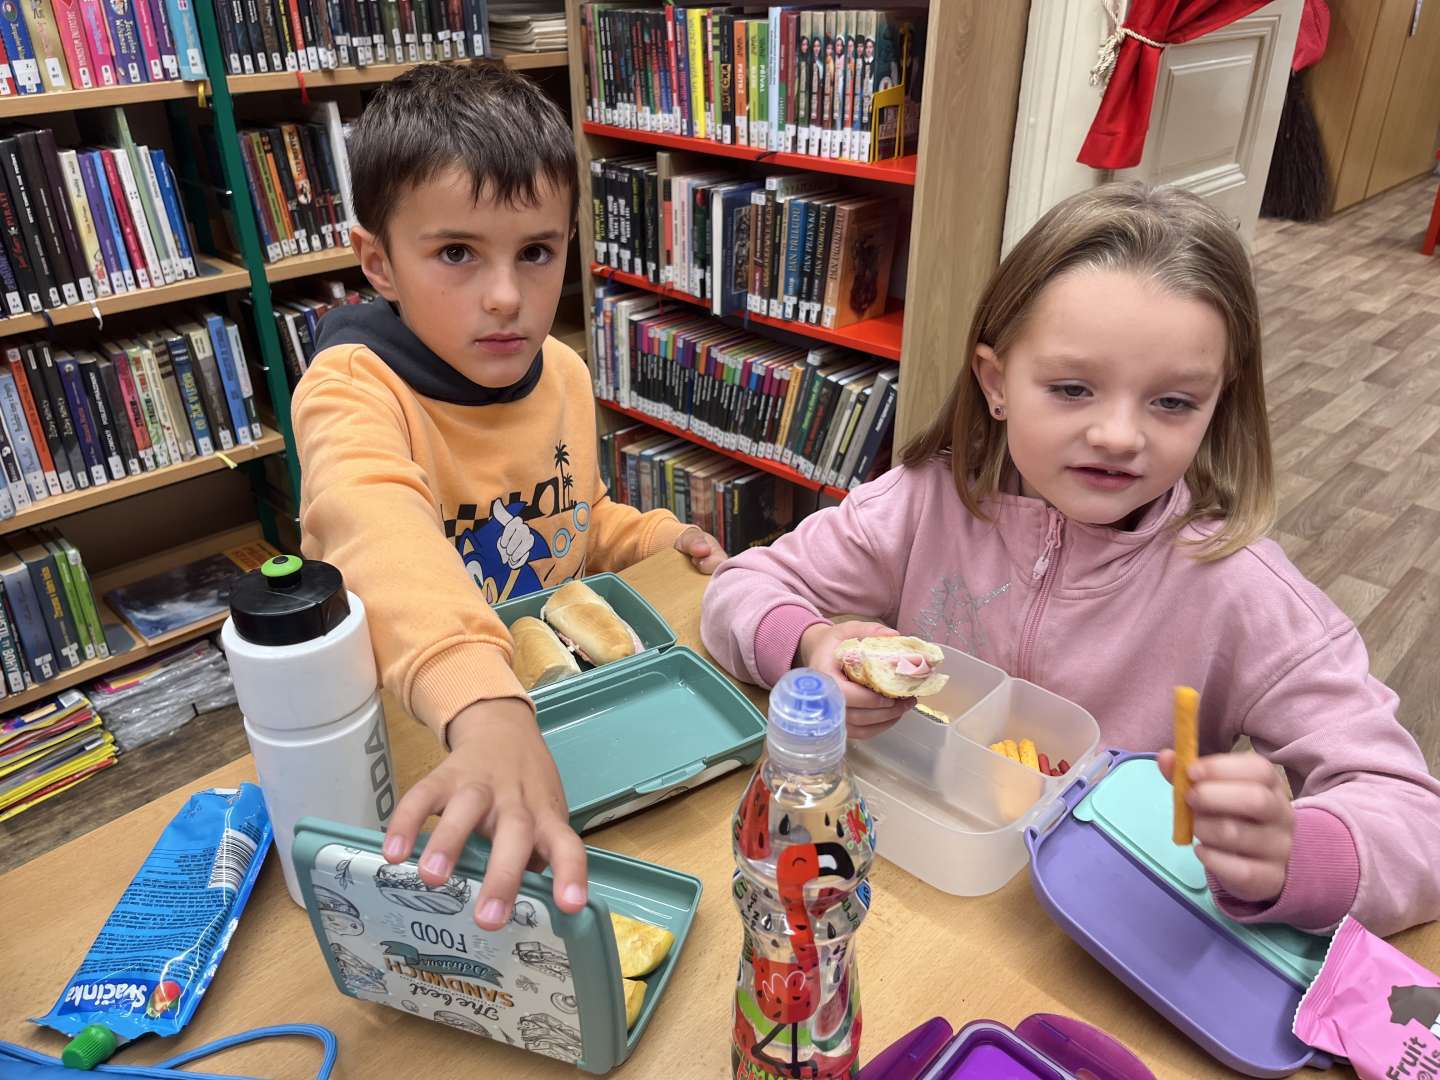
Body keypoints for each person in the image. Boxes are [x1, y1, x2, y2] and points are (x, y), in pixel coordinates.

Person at [701, 182, 1440, 937]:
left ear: (1218, 401)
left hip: (1107, 935)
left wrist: (1298, 855)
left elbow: (1416, 819)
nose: (1119, 435)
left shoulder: (1244, 592)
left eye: (1173, 402)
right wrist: (812, 645)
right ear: (996, 383)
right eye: (1073, 388)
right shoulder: (923, 503)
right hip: (909, 889)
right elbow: (741, 587)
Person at [293, 62, 724, 931]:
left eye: (536, 252)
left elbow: (577, 522)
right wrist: (483, 705)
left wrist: (656, 538)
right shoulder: (351, 389)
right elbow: (372, 526)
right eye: (457, 253)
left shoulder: (560, 369)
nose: (506, 297)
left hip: (566, 730)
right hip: (432, 739)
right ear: (378, 262)